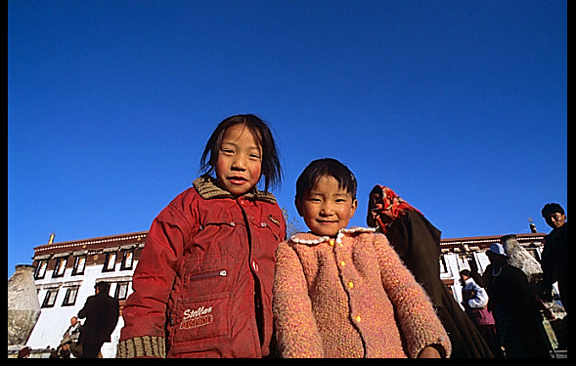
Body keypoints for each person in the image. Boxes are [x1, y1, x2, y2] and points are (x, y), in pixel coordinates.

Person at [117, 114, 286, 358]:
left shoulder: (271, 214)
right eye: (229, 152)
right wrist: (142, 341)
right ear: (213, 155)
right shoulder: (189, 206)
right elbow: (153, 276)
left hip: (263, 349)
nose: (240, 163)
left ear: (265, 164)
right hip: (195, 346)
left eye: (253, 155)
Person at [273, 158, 451, 358]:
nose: (327, 210)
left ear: (353, 207)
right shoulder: (292, 251)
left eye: (338, 200)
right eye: (316, 199)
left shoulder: (372, 243)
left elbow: (406, 292)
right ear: (299, 205)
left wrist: (428, 340)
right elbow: (292, 311)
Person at [366, 185, 494, 358]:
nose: (374, 205)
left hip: (427, 293)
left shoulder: (409, 219)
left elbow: (424, 258)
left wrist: (430, 302)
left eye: (377, 199)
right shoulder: (381, 233)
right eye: (371, 201)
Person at [482, 242, 551, 358]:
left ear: (499, 257)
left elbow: (527, 293)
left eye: (492, 256)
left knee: (523, 342)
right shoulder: (491, 272)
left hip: (518, 313)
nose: (490, 258)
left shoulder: (513, 273)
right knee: (510, 342)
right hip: (501, 313)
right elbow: (484, 283)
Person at [459, 269, 504, 358]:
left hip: (483, 319)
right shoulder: (466, 287)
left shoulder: (475, 285)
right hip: (476, 319)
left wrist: (469, 303)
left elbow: (483, 299)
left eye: (462, 276)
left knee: (490, 343)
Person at [78, 281, 119, 358]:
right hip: (102, 335)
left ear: (98, 289)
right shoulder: (113, 302)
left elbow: (81, 314)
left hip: (89, 335)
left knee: (87, 354)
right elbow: (114, 320)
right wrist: (107, 332)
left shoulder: (92, 300)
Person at [540, 203, 568, 312]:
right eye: (548, 218)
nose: (552, 221)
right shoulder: (550, 239)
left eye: (555, 217)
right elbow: (547, 262)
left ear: (564, 216)